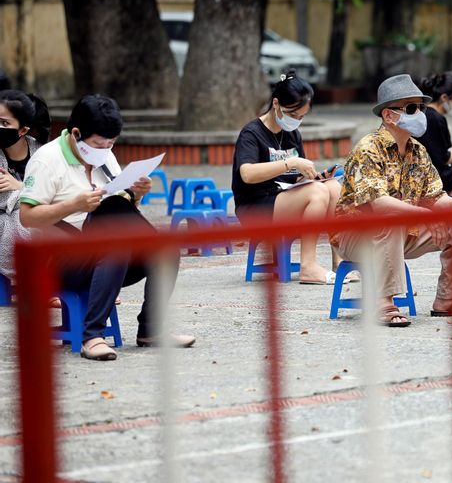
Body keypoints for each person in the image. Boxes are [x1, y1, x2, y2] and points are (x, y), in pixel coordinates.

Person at [20, 95, 195, 360]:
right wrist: (72, 205)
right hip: (60, 262)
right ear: (76, 133)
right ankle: (92, 336)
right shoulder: (47, 160)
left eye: (111, 144)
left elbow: (121, 205)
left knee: (166, 249)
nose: (105, 150)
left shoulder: (104, 156)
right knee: (114, 246)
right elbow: (27, 217)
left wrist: (137, 194)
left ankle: (151, 329)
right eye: (99, 144)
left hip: (104, 254)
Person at [332, 74, 452, 327]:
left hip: (405, 230)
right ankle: (384, 302)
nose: (420, 114)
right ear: (389, 115)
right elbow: (377, 203)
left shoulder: (417, 150)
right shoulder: (368, 148)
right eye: (411, 108)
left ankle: (449, 299)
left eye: (421, 107)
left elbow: (436, 195)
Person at [232, 71, 347, 284]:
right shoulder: (252, 133)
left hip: (283, 199)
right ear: (276, 104)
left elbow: (293, 181)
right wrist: (291, 162)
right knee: (318, 192)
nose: (296, 121)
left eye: (301, 117)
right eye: (293, 115)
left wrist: (314, 177)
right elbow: (247, 174)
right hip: (255, 205)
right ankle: (308, 267)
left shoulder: (292, 134)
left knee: (331, 187)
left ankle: (339, 261)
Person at [0, 90, 49, 282]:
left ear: (23, 130)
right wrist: (31, 194)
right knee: (23, 220)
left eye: (5, 123)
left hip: (37, 218)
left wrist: (18, 186)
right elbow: (5, 201)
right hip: (7, 224)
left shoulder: (41, 151)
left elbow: (56, 192)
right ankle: (28, 282)